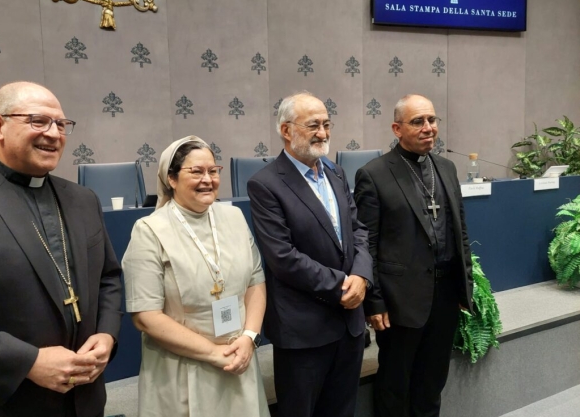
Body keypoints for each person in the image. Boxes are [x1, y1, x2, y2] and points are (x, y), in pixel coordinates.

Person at [0, 81, 123, 417]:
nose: (54, 133)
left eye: (61, 124)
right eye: (38, 121)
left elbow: (109, 279)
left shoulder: (83, 200)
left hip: (85, 401)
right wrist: (28, 362)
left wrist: (106, 335)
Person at [121, 136, 270, 417]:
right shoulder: (149, 231)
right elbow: (145, 315)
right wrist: (214, 353)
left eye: (213, 171)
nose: (208, 180)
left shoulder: (234, 217)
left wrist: (249, 337)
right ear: (172, 179)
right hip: (182, 367)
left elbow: (255, 281)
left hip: (239, 356)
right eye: (196, 171)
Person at [247, 92, 374, 417]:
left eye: (327, 124)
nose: (323, 133)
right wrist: (343, 285)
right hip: (304, 330)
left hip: (349, 324)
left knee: (342, 410)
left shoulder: (336, 173)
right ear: (286, 130)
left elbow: (359, 230)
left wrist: (361, 277)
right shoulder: (265, 184)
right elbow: (283, 257)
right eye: (313, 125)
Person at [354, 94, 474, 417]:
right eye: (418, 121)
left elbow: (459, 232)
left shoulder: (446, 168)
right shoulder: (374, 174)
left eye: (432, 120)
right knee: (395, 387)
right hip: (399, 302)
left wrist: (466, 286)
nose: (428, 128)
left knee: (432, 384)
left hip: (445, 296)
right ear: (397, 128)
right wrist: (374, 301)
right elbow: (366, 244)